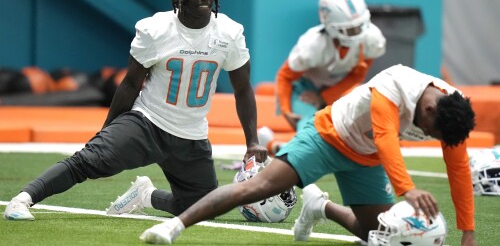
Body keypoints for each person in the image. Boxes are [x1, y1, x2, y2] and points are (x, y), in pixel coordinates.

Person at [3, 0, 266, 221]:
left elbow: (242, 89)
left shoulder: (229, 33)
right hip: (149, 123)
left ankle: (146, 195)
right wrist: (107, 130)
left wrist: (252, 141)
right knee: (89, 160)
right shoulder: (157, 29)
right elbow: (130, 84)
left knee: (203, 206)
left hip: (191, 134)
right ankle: (23, 199)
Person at [139, 64, 477, 246]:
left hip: (367, 156)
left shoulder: (451, 112)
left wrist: (469, 233)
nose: (429, 138)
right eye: (430, 133)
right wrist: (407, 189)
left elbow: (459, 169)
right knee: (258, 188)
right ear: (429, 109)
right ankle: (174, 226)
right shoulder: (396, 83)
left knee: (375, 233)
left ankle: (319, 206)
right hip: (328, 136)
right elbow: (387, 136)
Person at [258, 0, 386, 155]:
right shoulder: (313, 44)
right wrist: (286, 110)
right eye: (349, 29)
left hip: (341, 88)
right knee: (311, 129)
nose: (357, 33)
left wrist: (325, 97)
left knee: (358, 128)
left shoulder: (372, 38)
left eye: (360, 26)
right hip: (306, 88)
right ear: (330, 25)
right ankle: (280, 147)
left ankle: (273, 146)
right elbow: (285, 76)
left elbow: (357, 75)